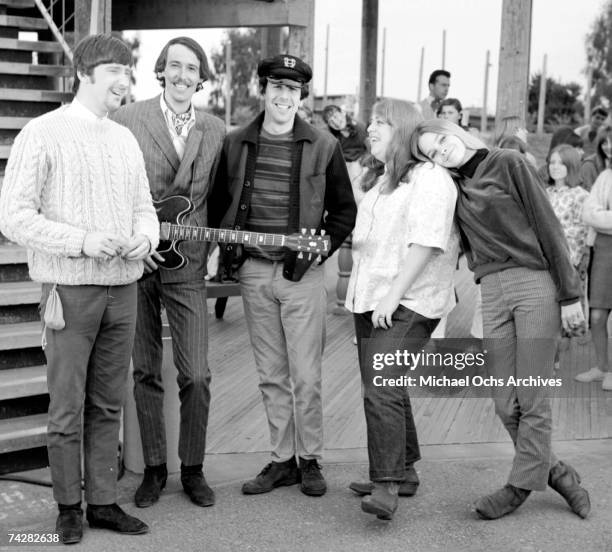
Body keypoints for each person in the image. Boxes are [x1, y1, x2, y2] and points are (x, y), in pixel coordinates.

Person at [0, 34, 159, 544]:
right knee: (66, 407)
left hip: (123, 289)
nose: (125, 81)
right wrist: (84, 241)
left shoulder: (125, 138)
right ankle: (69, 507)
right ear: (85, 73)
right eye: (116, 70)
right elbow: (13, 217)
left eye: (128, 71)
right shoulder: (41, 133)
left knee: (109, 405)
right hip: (69, 292)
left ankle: (104, 503)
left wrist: (145, 237)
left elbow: (144, 208)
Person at [413, 119, 591, 521]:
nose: (442, 151)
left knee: (532, 396)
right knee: (502, 402)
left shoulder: (508, 162)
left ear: (454, 130)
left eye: (441, 140)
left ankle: (518, 487)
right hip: (490, 291)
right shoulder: (452, 189)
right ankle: (558, 473)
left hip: (534, 283)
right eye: (431, 152)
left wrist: (569, 295)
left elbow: (550, 227)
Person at [208, 54, 356, 497]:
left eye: (292, 89)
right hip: (253, 273)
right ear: (263, 90)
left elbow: (344, 213)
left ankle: (309, 459)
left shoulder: (325, 146)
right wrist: (220, 250)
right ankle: (281, 460)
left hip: (301, 277)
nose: (284, 96)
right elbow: (217, 206)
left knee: (306, 375)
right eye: (276, 87)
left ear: (302, 96)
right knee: (271, 374)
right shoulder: (235, 143)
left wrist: (317, 252)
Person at [112, 36, 225, 509]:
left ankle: (193, 468)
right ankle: (155, 468)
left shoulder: (216, 129)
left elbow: (218, 197)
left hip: (190, 264)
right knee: (144, 371)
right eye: (174, 66)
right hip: (136, 261)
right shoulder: (128, 118)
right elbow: (112, 188)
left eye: (192, 68)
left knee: (195, 374)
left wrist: (217, 246)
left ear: (202, 77)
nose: (182, 75)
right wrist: (136, 244)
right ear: (161, 71)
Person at [345, 99, 459, 520]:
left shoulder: (430, 177)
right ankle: (404, 470)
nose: (371, 128)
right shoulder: (382, 182)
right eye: (371, 121)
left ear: (406, 130)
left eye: (382, 122)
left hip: (409, 300)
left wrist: (393, 295)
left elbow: (428, 242)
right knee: (384, 384)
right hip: (369, 299)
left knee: (382, 382)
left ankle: (386, 484)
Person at [545, 145, 590, 352]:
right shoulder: (544, 192)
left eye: (561, 163)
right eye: (552, 162)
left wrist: (567, 261)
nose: (555, 167)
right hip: (541, 262)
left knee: (564, 314)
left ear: (571, 166)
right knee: (544, 313)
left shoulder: (580, 195)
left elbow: (581, 232)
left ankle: (554, 363)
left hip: (567, 262)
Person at [577, 167, 612, 390]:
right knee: (597, 315)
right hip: (603, 250)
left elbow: (597, 216)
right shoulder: (606, 176)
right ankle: (602, 368)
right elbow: (588, 214)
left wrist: (604, 218)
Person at [322, 104, 368, 180]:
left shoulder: (360, 127)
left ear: (343, 113)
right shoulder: (329, 135)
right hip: (342, 169)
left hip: (362, 165)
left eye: (336, 116)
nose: (336, 122)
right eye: (331, 121)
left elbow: (370, 150)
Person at [580, 125, 612, 191]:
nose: (609, 147)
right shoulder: (589, 165)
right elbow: (588, 194)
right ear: (600, 145)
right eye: (605, 143)